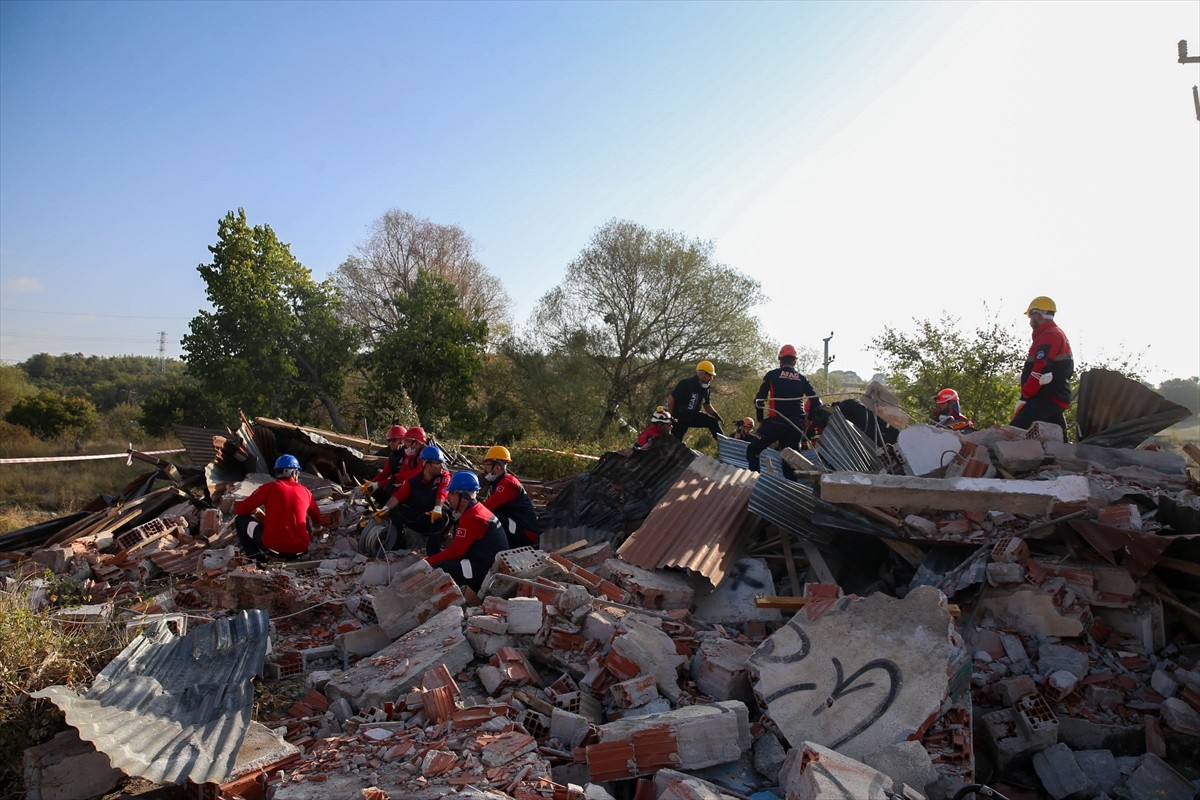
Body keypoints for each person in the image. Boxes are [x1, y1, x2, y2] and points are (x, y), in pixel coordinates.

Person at [427, 470, 509, 593]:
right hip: (487, 564)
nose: (448, 497)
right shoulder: (476, 510)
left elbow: (455, 552)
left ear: (464, 496)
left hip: (485, 572)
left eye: (452, 493)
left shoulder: (472, 518)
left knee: (441, 569)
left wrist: (427, 563)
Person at [746, 344, 820, 475]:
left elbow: (759, 400)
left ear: (780, 360)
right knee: (790, 462)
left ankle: (754, 481)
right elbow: (816, 401)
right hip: (796, 426)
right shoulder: (802, 379)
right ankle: (791, 490)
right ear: (795, 361)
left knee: (753, 449)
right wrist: (808, 420)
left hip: (776, 423)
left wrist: (760, 420)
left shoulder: (772, 375)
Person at [234, 454, 320, 562]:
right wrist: (317, 527)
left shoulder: (269, 488)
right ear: (294, 472)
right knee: (305, 518)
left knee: (240, 520)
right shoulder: (307, 492)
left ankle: (256, 560)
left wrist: (255, 511)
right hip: (301, 550)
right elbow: (316, 516)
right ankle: (297, 556)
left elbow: (241, 510)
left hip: (272, 549)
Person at [1012, 296, 1074, 439]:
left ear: (1038, 315)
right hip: (1053, 397)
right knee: (1060, 441)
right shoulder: (1052, 334)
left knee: (1015, 431)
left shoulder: (1049, 335)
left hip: (1045, 397)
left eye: (1031, 316)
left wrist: (1026, 394)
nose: (1030, 320)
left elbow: (1041, 368)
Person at [372, 444, 450, 553]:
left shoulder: (444, 476)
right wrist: (384, 509)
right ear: (427, 465)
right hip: (419, 515)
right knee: (395, 510)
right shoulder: (413, 480)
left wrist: (437, 508)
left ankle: (433, 552)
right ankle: (397, 546)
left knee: (442, 517)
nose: (441, 467)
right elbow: (399, 496)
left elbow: (442, 492)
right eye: (438, 463)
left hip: (435, 515)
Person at [480, 445, 542, 548]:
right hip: (518, 528)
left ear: (497, 467)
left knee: (492, 518)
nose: (484, 469)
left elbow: (487, 508)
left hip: (526, 535)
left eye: (487, 465)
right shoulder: (499, 482)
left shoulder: (507, 484)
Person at [667, 360, 723, 442]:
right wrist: (670, 416)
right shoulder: (686, 383)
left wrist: (716, 415)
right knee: (676, 441)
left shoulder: (706, 388)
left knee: (712, 422)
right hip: (680, 417)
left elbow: (707, 405)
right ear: (702, 373)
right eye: (710, 375)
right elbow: (671, 398)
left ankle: (725, 444)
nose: (711, 378)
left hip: (693, 416)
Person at [361, 424, 408, 506]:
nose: (390, 443)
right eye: (389, 441)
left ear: (402, 440)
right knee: (375, 489)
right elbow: (384, 474)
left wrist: (378, 484)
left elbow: (401, 478)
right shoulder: (393, 456)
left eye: (393, 440)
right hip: (393, 484)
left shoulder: (408, 456)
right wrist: (370, 483)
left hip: (403, 488)